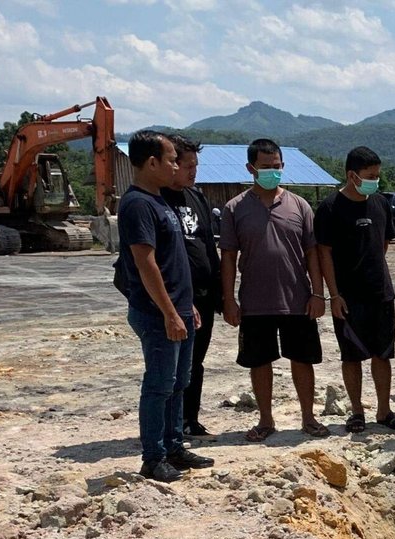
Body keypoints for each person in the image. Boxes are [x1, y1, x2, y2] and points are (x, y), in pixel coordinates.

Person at [116, 130, 212, 482]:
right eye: (172, 159)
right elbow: (146, 264)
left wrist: (186, 306)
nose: (176, 166)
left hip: (180, 310)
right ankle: (153, 456)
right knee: (159, 384)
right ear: (151, 162)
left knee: (178, 382)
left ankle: (174, 446)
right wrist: (170, 312)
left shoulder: (160, 201)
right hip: (158, 314)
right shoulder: (138, 204)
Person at [220, 137, 328, 440]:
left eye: (277, 167)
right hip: (255, 302)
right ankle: (266, 420)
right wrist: (228, 299)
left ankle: (309, 417)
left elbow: (312, 254)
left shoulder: (300, 206)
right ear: (251, 168)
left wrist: (318, 294)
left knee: (303, 360)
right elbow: (228, 256)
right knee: (259, 361)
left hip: (297, 300)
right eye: (266, 167)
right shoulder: (235, 208)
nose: (273, 172)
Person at [315, 145, 395, 433]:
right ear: (351, 175)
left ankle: (383, 410)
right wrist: (334, 293)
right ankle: (357, 412)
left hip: (380, 292)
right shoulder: (330, 208)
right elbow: (324, 253)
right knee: (352, 355)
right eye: (370, 175)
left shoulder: (380, 203)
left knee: (383, 354)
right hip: (348, 297)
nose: (375, 180)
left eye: (377, 175)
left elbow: (383, 244)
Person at [161, 135, 224, 437]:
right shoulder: (156, 200)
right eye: (187, 166)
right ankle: (168, 426)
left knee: (194, 364)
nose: (193, 172)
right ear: (171, 164)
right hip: (175, 300)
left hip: (204, 297)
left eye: (196, 166)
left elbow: (208, 247)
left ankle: (189, 420)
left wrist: (220, 292)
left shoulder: (196, 197)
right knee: (170, 367)